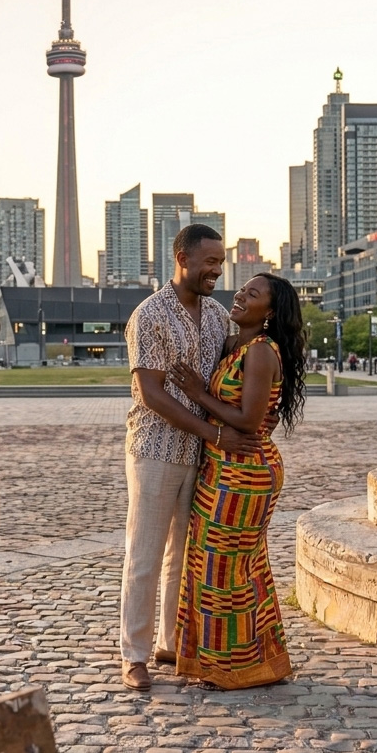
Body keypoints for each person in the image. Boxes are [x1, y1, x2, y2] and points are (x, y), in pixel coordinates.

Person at [120, 224, 261, 693]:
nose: (217, 271)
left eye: (221, 263)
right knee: (145, 555)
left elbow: (235, 374)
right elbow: (151, 393)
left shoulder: (220, 317)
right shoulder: (151, 315)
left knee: (183, 554)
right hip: (156, 450)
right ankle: (134, 655)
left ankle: (170, 641)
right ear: (182, 256)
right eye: (210, 262)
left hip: (201, 456)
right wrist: (215, 433)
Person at [169, 272, 306, 690]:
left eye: (254, 293)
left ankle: (235, 667)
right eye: (243, 288)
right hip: (221, 466)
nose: (242, 295)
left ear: (270, 311)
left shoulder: (262, 352)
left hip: (245, 473)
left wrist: (197, 392)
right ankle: (250, 660)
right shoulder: (234, 345)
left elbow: (249, 419)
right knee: (224, 565)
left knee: (225, 569)